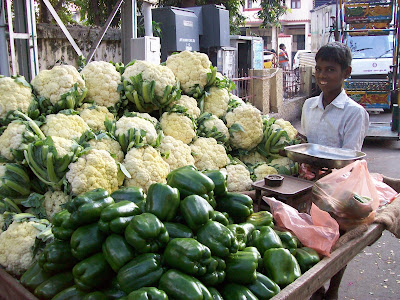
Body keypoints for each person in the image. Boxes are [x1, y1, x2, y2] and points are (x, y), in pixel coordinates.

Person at [301, 42, 369, 152]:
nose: (322, 75)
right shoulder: (308, 105)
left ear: (346, 72)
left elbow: (349, 157)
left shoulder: (355, 113)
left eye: (330, 70)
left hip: (340, 169)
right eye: (318, 69)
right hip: (308, 169)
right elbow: (306, 145)